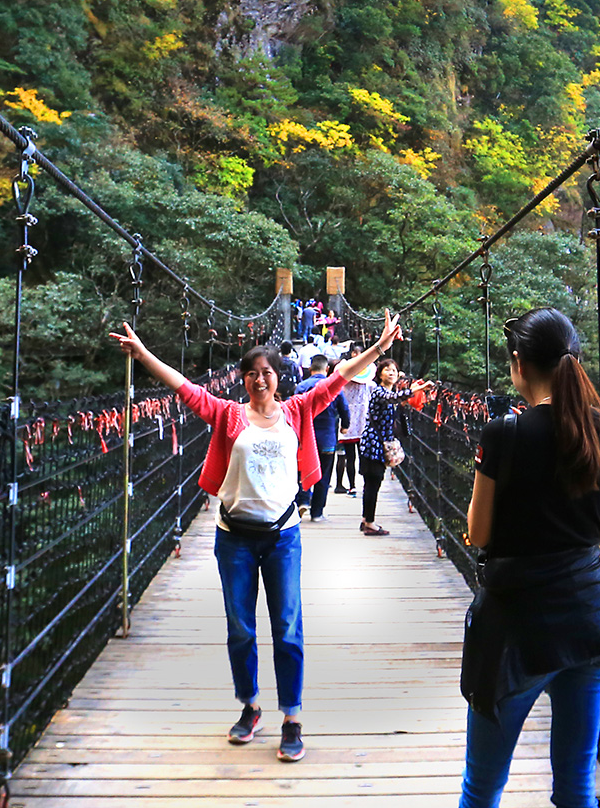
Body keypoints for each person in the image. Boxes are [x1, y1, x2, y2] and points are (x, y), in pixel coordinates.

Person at [402, 307, 600, 808]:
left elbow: (479, 532)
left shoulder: (503, 434)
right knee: (575, 793)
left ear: (517, 365)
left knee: (484, 782)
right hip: (590, 628)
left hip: (514, 632)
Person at [110, 311, 403, 764]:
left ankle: (292, 718)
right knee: (240, 629)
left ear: (278, 379)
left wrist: (380, 348)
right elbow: (184, 389)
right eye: (251, 374)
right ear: (243, 380)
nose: (259, 380)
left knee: (287, 629)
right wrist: (143, 352)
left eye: (266, 373)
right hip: (234, 537)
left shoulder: (298, 409)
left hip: (282, 535)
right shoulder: (228, 415)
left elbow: (342, 375)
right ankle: (250, 707)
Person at [357, 358, 428, 537]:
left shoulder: (387, 391)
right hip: (373, 445)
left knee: (372, 483)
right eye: (387, 370)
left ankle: (366, 520)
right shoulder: (379, 392)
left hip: (377, 445)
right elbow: (392, 398)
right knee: (373, 483)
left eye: (394, 371)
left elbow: (394, 404)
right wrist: (417, 388)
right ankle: (370, 523)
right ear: (380, 374)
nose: (391, 373)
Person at [294, 354, 347, 522]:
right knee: (323, 476)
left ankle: (302, 501)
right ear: (327, 369)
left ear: (310, 369)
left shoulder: (301, 387)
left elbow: (294, 410)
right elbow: (344, 409)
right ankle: (317, 513)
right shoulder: (333, 387)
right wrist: (345, 425)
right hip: (327, 439)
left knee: (303, 471)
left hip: (305, 439)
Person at [334, 359, 368, 497]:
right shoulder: (368, 385)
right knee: (363, 456)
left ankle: (352, 486)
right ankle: (365, 484)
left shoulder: (343, 385)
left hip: (346, 425)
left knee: (350, 458)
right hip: (362, 424)